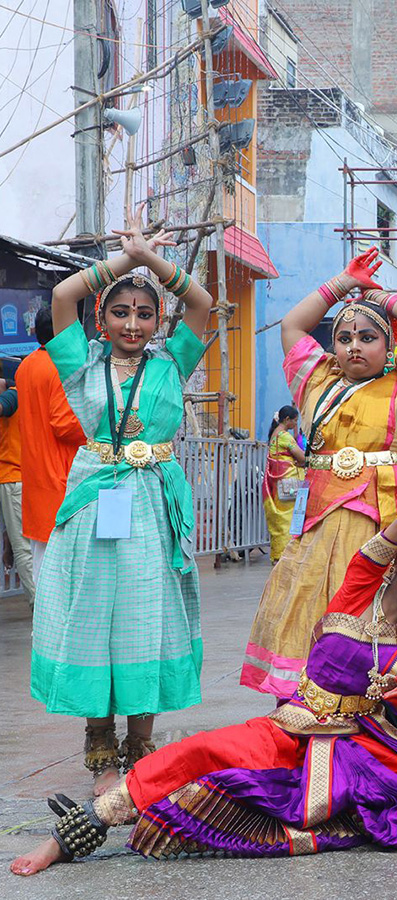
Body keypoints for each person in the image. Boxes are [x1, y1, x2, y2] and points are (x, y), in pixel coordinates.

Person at [9, 483, 397, 876]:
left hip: (359, 745)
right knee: (196, 752)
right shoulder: (356, 589)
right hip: (290, 727)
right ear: (396, 566)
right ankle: (80, 830)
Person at [31, 208, 213, 795]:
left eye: (144, 312)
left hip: (152, 503)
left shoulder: (171, 362)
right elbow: (62, 294)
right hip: (95, 502)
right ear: (101, 319)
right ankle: (99, 741)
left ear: (159, 320)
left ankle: (142, 743)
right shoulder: (82, 364)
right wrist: (126, 260)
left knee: (147, 617)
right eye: (120, 312)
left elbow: (204, 303)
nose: (132, 323)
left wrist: (154, 262)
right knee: (94, 615)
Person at [242, 249, 397, 700]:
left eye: (369, 337)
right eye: (344, 336)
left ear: (390, 345)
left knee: (383, 605)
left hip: (387, 519)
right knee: (314, 598)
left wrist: (377, 296)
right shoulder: (316, 380)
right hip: (319, 520)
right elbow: (292, 325)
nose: (354, 345)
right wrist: (341, 282)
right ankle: (305, 702)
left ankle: (385, 707)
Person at [15, 307, 86, 582]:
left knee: (42, 562)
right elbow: (64, 423)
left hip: (35, 478)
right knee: (62, 571)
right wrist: (100, 425)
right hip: (60, 477)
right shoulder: (60, 366)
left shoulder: (26, 366)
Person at [0, 375, 34, 606]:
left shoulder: (14, 393)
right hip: (28, 477)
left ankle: (39, 605)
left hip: (15, 478)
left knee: (24, 547)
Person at [262, 404, 305, 563]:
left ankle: (277, 554)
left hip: (277, 484)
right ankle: (287, 554)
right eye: (294, 421)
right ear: (286, 419)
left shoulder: (274, 435)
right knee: (289, 519)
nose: (295, 424)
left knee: (279, 520)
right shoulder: (285, 437)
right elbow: (301, 457)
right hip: (289, 483)